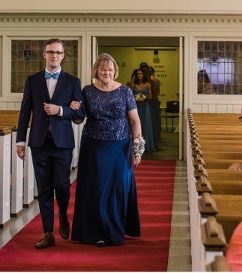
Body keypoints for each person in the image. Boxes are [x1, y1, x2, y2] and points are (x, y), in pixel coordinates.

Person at [15, 38, 85, 249]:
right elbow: (25, 112)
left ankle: (63, 213)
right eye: (50, 52)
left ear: (63, 56)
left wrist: (61, 110)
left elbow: (80, 115)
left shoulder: (73, 82)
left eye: (58, 52)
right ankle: (47, 233)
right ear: (44, 55)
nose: (54, 55)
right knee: (44, 188)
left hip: (63, 143)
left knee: (62, 185)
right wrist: (20, 140)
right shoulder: (32, 80)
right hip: (39, 142)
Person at [71, 53, 142, 247]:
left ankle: (114, 230)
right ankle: (96, 232)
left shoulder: (125, 91)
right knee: (96, 189)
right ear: (96, 71)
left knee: (117, 188)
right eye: (103, 69)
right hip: (93, 147)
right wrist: (73, 108)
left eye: (110, 69)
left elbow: (135, 121)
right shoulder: (87, 91)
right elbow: (78, 119)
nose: (106, 73)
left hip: (120, 147)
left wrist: (137, 149)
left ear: (115, 71)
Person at [128, 68, 156, 153]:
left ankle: (146, 146)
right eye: (138, 74)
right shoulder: (133, 84)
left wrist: (145, 98)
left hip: (145, 107)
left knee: (145, 124)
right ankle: (135, 146)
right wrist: (136, 98)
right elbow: (130, 95)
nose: (139, 75)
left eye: (141, 74)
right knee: (135, 124)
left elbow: (150, 96)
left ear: (143, 75)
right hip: (135, 107)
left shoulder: (147, 84)